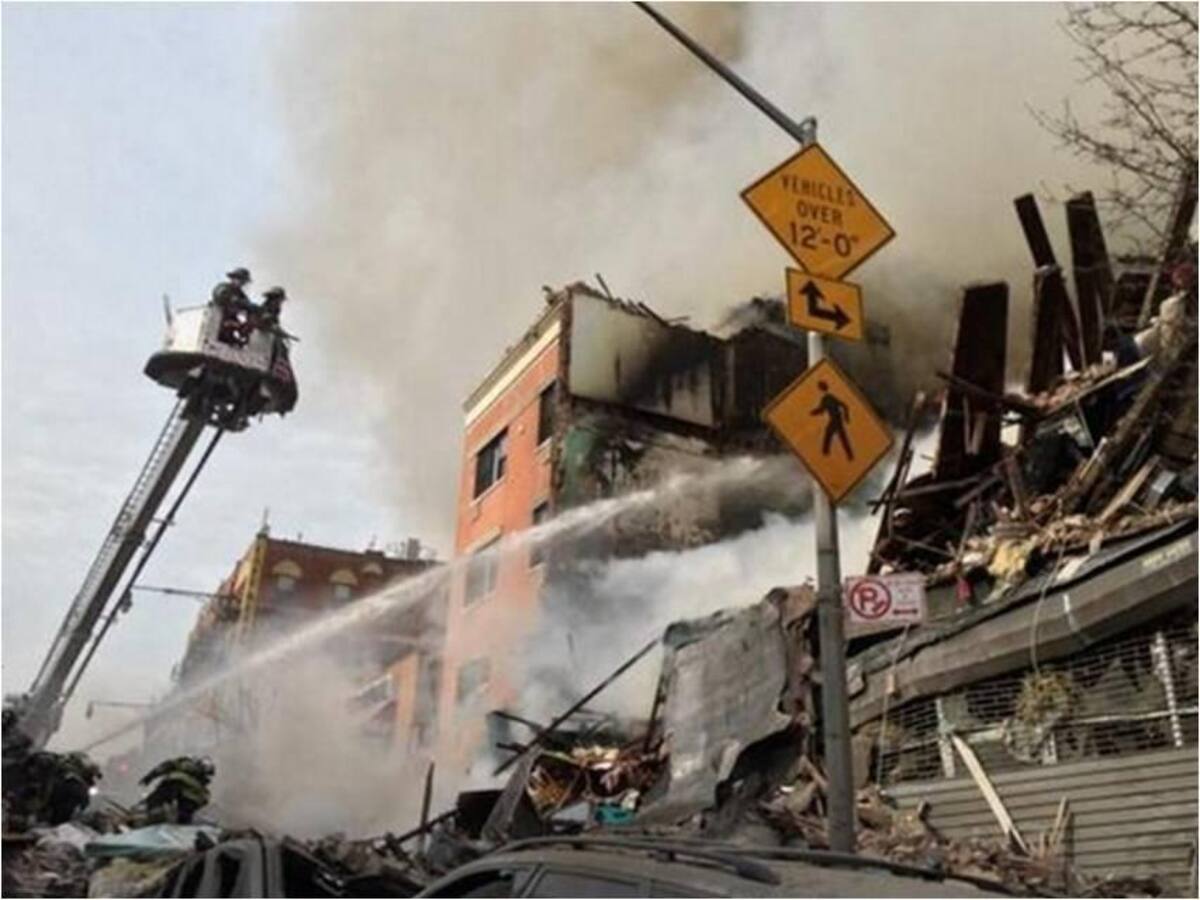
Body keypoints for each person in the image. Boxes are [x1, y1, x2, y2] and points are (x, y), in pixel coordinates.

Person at [139, 756, 214, 824]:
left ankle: (147, 810)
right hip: (173, 791)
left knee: (154, 801)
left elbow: (165, 766)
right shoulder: (201, 790)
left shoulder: (183, 765)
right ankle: (147, 810)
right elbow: (166, 766)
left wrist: (149, 777)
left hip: (170, 789)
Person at [811, 380, 854, 460]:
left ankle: (826, 453)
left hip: (835, 420)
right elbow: (844, 405)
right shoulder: (830, 397)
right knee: (837, 436)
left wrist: (813, 412)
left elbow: (821, 409)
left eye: (820, 388)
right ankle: (848, 455)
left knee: (833, 435)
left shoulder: (827, 398)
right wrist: (846, 416)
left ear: (821, 389)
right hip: (837, 419)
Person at [211, 267, 254, 346]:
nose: (242, 283)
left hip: (230, 324)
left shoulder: (241, 295)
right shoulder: (223, 287)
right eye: (240, 280)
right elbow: (220, 295)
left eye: (244, 281)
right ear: (233, 278)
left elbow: (248, 306)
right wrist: (236, 301)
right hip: (217, 321)